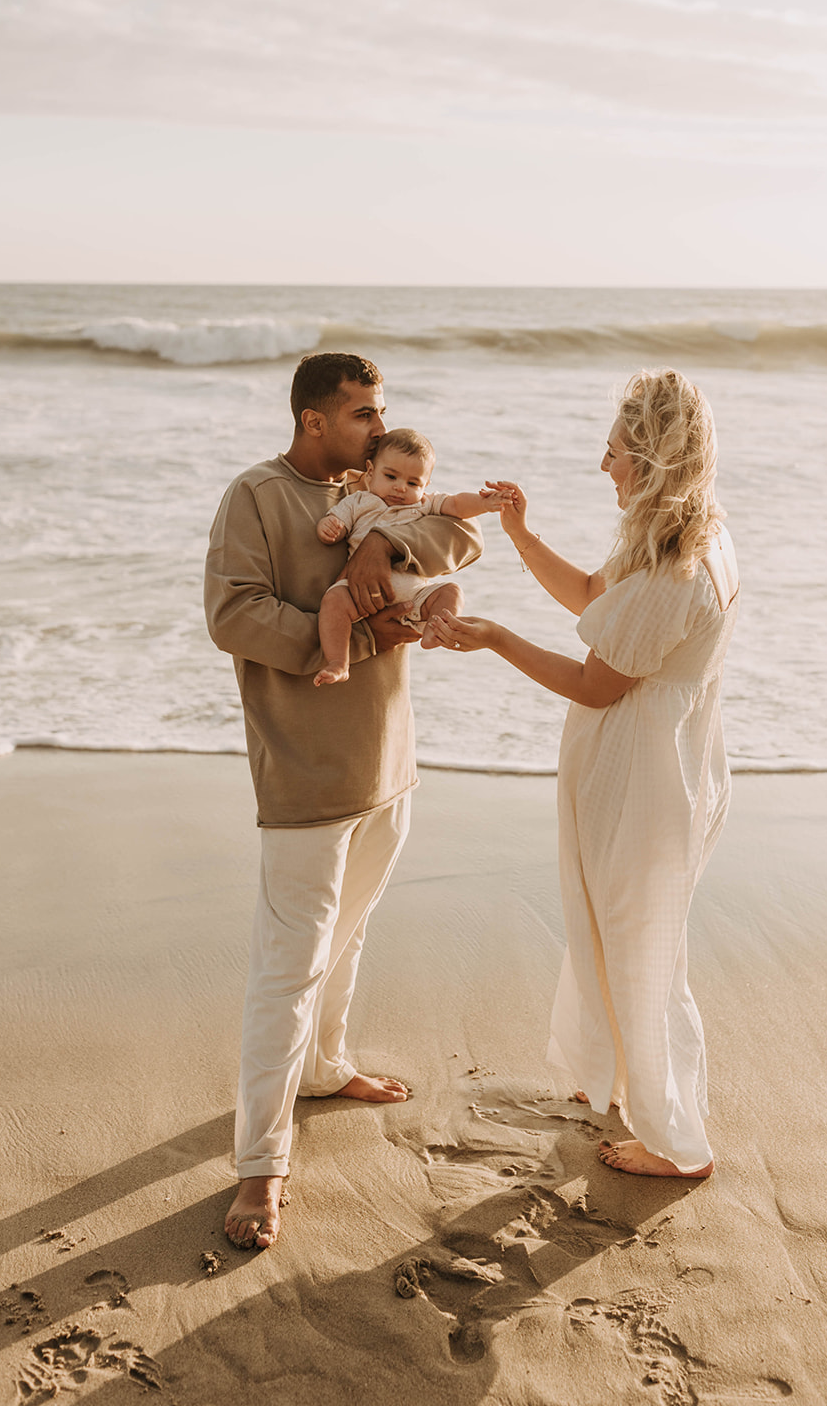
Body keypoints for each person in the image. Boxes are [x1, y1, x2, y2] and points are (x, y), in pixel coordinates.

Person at [204, 352, 483, 1249]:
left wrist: (379, 539)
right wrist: (359, 637)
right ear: (315, 420)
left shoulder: (387, 493)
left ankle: (324, 1068)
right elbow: (233, 613)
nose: (377, 424)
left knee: (349, 934)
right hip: (307, 772)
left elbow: (463, 538)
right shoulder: (258, 495)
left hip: (387, 764)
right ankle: (260, 1166)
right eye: (362, 412)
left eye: (380, 410)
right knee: (287, 967)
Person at [430, 368, 738, 1178]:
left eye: (611, 453)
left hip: (645, 781)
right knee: (614, 935)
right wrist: (520, 533)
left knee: (642, 948)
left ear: (647, 456)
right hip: (647, 765)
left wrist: (493, 637)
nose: (603, 467)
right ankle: (617, 1082)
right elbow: (595, 598)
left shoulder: (677, 566)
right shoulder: (673, 536)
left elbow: (595, 683)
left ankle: (678, 1144)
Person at [313, 427, 510, 686]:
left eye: (413, 483)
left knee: (451, 592)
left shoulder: (423, 504)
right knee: (334, 600)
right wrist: (329, 528)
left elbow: (457, 505)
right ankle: (338, 662)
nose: (400, 488)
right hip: (361, 592)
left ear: (425, 486)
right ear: (370, 472)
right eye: (391, 476)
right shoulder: (359, 502)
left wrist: (484, 504)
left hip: (414, 596)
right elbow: (336, 520)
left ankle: (434, 630)